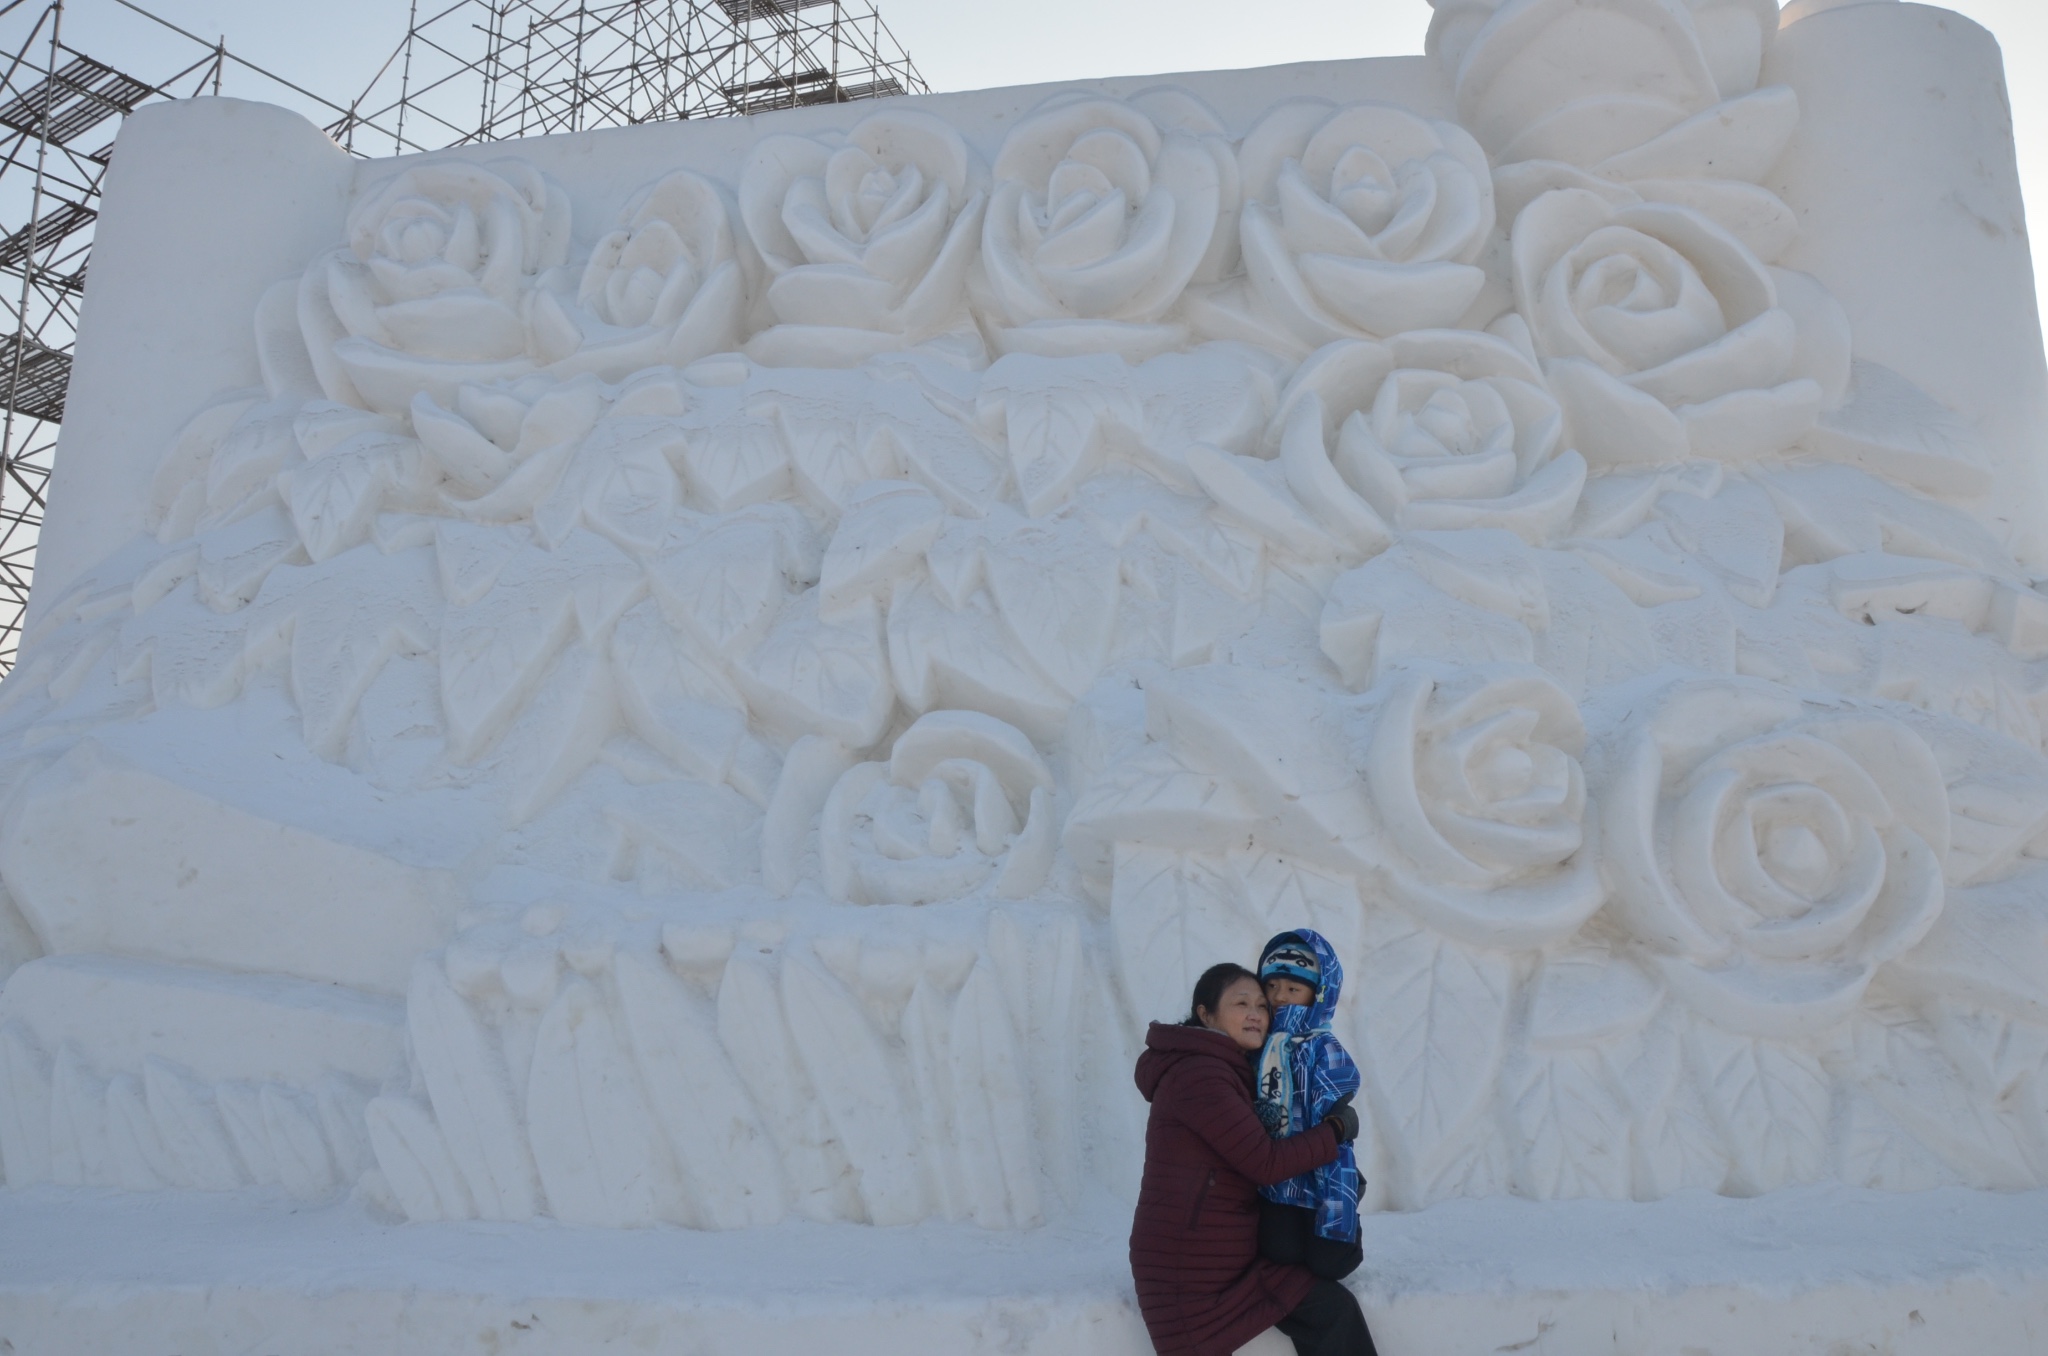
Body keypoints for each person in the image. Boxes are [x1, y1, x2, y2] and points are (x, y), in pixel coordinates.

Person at [1130, 962, 1376, 1356]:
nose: (1255, 1014)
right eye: (1240, 1003)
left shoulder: (1228, 1070)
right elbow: (1265, 1162)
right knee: (1330, 1312)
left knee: (1330, 1310)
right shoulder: (1200, 1075)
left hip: (1223, 1262)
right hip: (1189, 1274)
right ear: (1205, 1014)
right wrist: (1334, 1131)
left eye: (1262, 1006)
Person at [1253, 930, 1365, 1285]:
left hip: (1321, 1168)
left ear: (1318, 993)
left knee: (1330, 1261)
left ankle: (1348, 1220)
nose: (1279, 997)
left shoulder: (1321, 1047)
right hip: (1278, 1173)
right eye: (1271, 987)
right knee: (1279, 1251)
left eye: (1292, 989)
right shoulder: (1258, 1044)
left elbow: (1333, 1116)